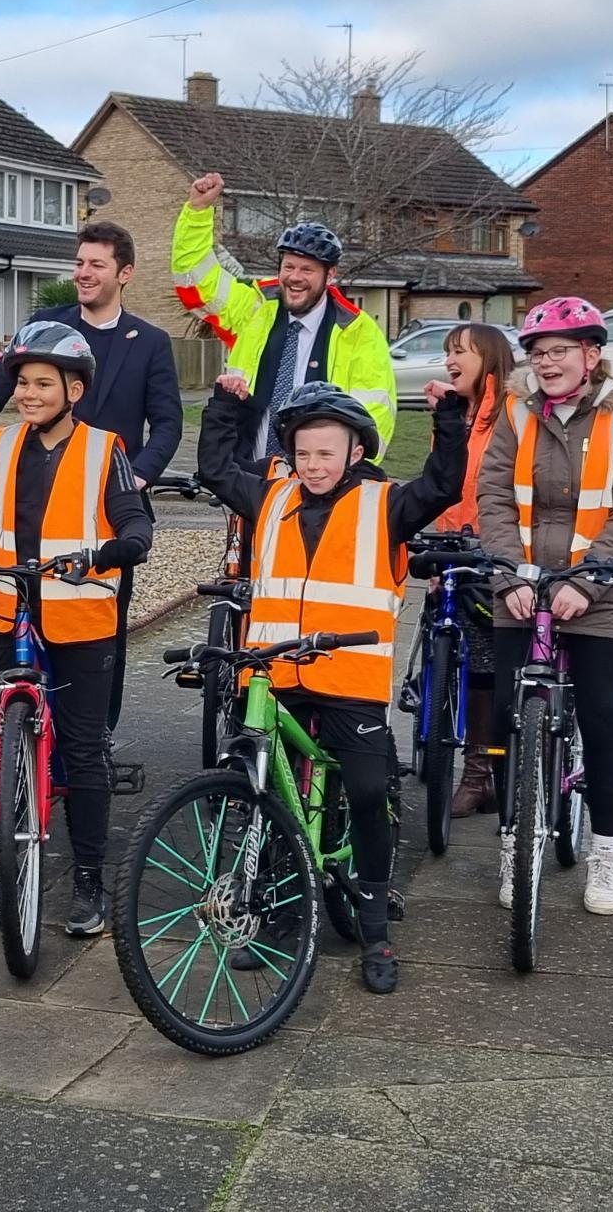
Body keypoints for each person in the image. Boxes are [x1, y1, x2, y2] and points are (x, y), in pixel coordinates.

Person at [198, 375, 468, 995]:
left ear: (355, 452)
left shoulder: (386, 504)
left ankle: (375, 923)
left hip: (351, 680)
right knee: (266, 796)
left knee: (371, 791)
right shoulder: (270, 498)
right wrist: (226, 407)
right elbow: (215, 468)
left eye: (327, 452)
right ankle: (277, 912)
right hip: (274, 674)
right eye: (303, 452)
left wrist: (449, 417)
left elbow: (443, 484)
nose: (313, 465)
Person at [0, 323, 153, 937]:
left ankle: (89, 874)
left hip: (80, 616)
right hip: (8, 608)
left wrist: (120, 548)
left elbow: (131, 520)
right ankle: (4, 863)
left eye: (44, 383)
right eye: (22, 382)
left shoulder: (105, 449)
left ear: (75, 389)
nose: (29, 393)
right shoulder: (2, 445)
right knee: (4, 738)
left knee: (85, 747)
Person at [475, 296, 613, 918]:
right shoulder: (515, 411)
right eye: (537, 353)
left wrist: (590, 578)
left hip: (599, 590)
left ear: (592, 354)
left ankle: (605, 848)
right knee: (507, 717)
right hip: (523, 586)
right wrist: (508, 576)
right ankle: (513, 840)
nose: (547, 363)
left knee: (602, 715)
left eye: (560, 351)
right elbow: (493, 496)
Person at [0, 219, 182, 730]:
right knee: (14, 617)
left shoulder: (149, 341)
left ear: (124, 273)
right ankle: (14, 743)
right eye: (80, 263)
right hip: (31, 499)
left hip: (107, 514)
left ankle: (94, 735)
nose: (84, 273)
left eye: (96, 265)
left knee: (102, 630)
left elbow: (169, 422)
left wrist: (138, 476)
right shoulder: (47, 323)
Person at [171, 170, 396, 463]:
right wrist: (199, 212)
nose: (295, 278)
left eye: (307, 270)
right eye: (289, 267)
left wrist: (349, 476)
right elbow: (195, 281)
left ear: (330, 275)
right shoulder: (255, 308)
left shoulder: (358, 332)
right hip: (248, 478)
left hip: (320, 485)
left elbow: (374, 416)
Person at [432, 322, 516, 817]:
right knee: (444, 651)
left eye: (459, 351)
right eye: (447, 352)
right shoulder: (455, 414)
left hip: (494, 554)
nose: (449, 360)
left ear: (489, 358)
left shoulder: (510, 414)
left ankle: (480, 772)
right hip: (451, 549)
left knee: (486, 664)